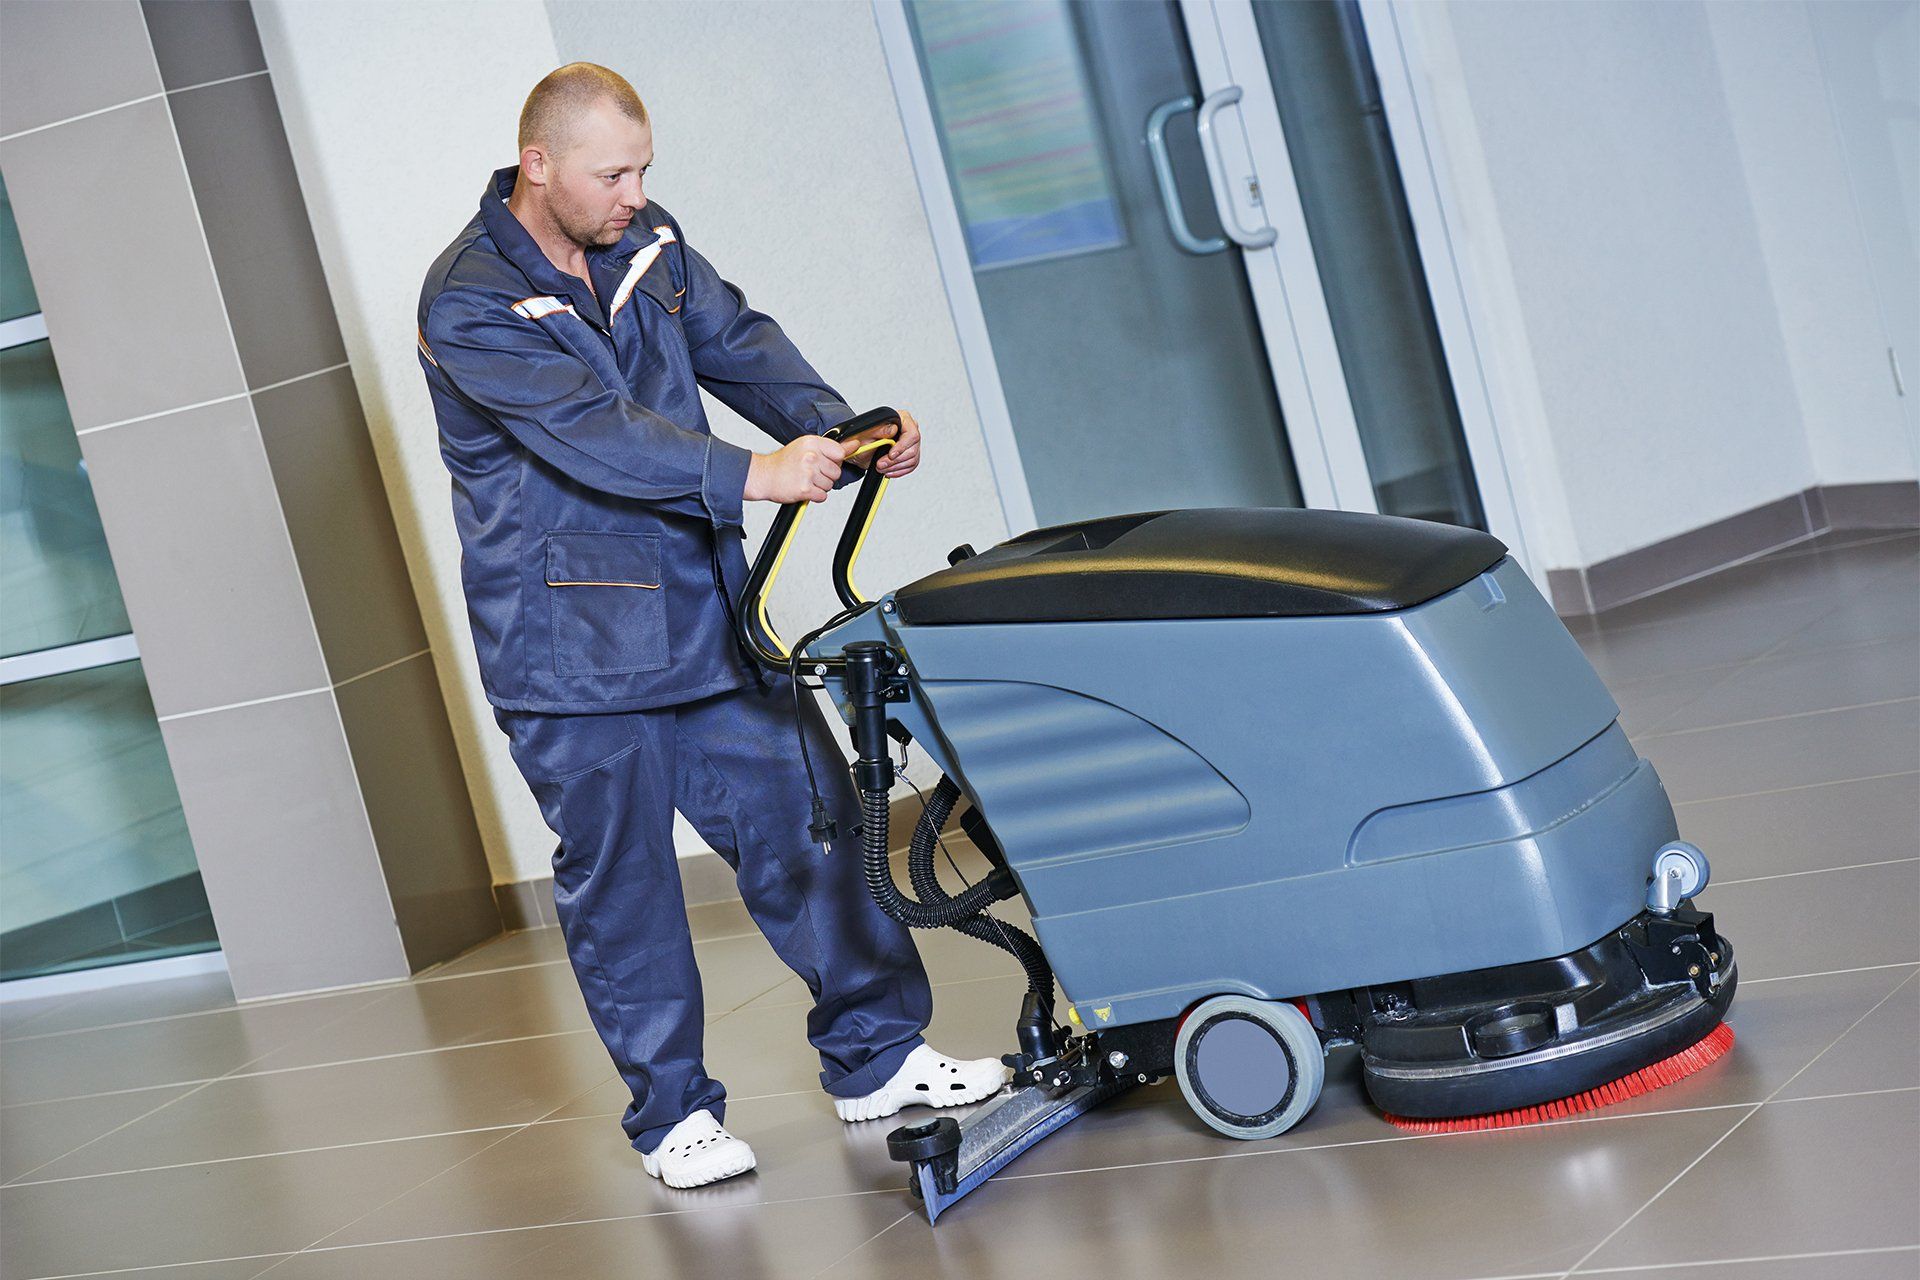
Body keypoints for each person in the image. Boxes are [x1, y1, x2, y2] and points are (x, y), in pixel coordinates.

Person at [415, 63, 1006, 1189]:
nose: (635, 192)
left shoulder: (647, 239)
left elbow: (736, 338)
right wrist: (758, 473)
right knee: (625, 884)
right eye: (613, 173)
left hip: (701, 612)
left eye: (643, 169)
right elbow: (598, 435)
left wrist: (840, 425)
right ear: (539, 166)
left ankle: (875, 1055)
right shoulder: (469, 300)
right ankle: (673, 1112)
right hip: (572, 652)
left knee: (814, 824)